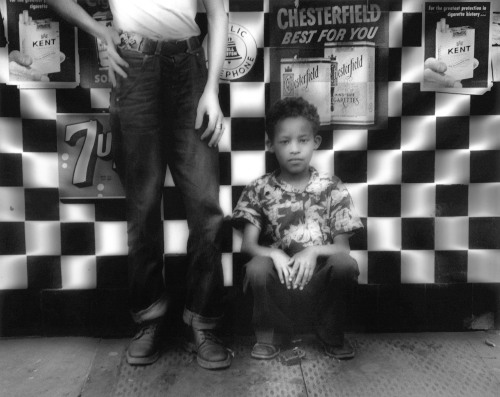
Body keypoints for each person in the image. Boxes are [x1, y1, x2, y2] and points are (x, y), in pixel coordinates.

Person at [47, 0, 231, 370]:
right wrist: (100, 30)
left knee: (206, 207)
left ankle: (202, 322)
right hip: (135, 64)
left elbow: (217, 12)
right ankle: (149, 317)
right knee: (143, 205)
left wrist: (212, 88)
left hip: (191, 66)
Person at [232, 97, 363, 360]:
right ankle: (268, 337)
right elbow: (248, 245)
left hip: (317, 282)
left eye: (302, 140)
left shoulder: (331, 186)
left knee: (345, 265)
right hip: (278, 283)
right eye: (285, 141)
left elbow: (342, 248)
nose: (294, 149)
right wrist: (274, 254)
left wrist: (313, 251)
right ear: (271, 145)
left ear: (315, 142)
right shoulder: (259, 188)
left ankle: (332, 335)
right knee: (256, 267)